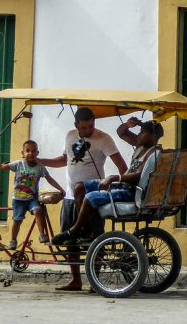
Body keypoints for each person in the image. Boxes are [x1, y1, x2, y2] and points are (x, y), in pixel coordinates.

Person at [38, 107, 127, 292]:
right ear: (76, 125)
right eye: (84, 127)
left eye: (91, 126)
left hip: (91, 199)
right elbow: (65, 160)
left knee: (95, 238)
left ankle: (95, 281)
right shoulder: (70, 135)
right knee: (69, 238)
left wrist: (125, 184)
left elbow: (121, 165)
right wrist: (40, 161)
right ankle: (75, 280)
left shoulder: (104, 138)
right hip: (70, 197)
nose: (88, 130)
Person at [52, 119, 163, 245]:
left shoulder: (153, 153)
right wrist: (132, 124)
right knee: (79, 187)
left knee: (90, 197)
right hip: (122, 185)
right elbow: (121, 132)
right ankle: (87, 231)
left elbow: (138, 176)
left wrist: (115, 178)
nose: (139, 135)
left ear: (153, 136)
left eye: (142, 132)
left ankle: (74, 231)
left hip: (130, 191)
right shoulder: (141, 145)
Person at [0, 139, 65, 249]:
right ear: (23, 153)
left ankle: (42, 234)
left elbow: (49, 179)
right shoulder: (18, 164)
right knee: (17, 221)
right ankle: (13, 240)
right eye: (27, 151)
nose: (30, 153)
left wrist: (60, 189)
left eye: (34, 151)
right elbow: (2, 167)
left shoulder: (40, 167)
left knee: (38, 211)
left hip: (32, 199)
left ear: (37, 153)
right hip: (18, 200)